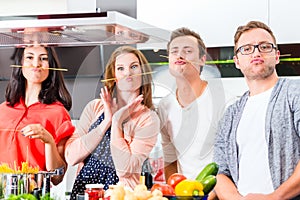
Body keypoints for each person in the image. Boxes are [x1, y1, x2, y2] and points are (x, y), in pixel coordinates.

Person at [213, 21, 300, 199]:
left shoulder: (294, 93)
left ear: (277, 56)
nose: (256, 52)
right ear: (237, 61)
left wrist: (274, 197)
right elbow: (220, 171)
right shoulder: (231, 114)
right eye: (246, 49)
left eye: (264, 46)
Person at [65, 45, 160, 199]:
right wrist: (105, 123)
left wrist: (116, 122)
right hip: (85, 193)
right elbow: (71, 157)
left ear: (143, 73)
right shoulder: (94, 108)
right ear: (114, 75)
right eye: (120, 68)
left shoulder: (148, 119)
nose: (128, 72)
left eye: (134, 67)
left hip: (121, 195)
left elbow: (125, 168)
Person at [157, 27, 228, 182]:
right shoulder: (164, 106)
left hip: (219, 193)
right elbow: (170, 159)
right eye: (174, 51)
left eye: (187, 50)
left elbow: (231, 160)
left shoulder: (223, 101)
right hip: (185, 193)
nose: (180, 55)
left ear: (202, 59)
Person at [0, 46, 75, 185]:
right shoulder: (2, 110)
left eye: (44, 58)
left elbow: (57, 178)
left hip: (33, 194)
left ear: (51, 66)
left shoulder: (58, 114)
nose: (36, 64)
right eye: (29, 57)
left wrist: (49, 141)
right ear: (20, 63)